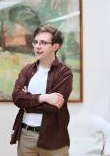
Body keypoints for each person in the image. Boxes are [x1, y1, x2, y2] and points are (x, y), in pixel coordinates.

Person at [10, 25, 73, 156]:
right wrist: (43, 97)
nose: (37, 46)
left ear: (55, 46)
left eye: (43, 43)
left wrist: (27, 100)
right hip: (25, 135)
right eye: (36, 42)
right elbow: (16, 97)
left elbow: (54, 107)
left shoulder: (64, 73)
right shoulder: (27, 70)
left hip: (53, 138)